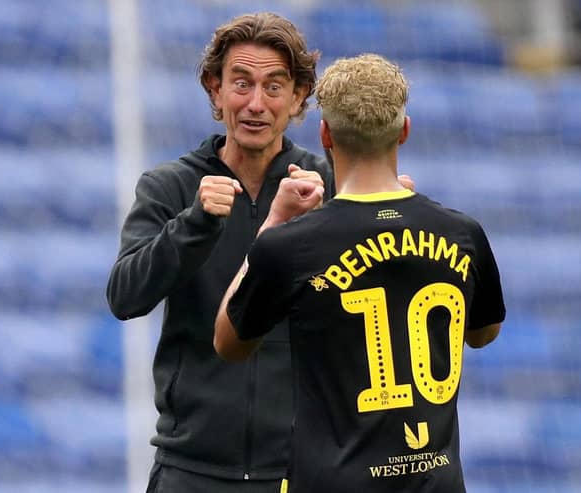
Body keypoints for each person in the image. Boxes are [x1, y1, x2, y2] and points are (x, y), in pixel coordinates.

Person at [106, 12, 413, 493]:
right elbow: (125, 297)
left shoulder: (330, 187)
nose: (255, 103)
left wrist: (379, 220)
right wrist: (196, 223)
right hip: (190, 470)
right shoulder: (171, 186)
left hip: (303, 469)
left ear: (297, 99)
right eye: (241, 83)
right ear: (214, 90)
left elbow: (382, 307)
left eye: (274, 87)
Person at [214, 53, 506, 493]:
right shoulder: (462, 233)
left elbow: (228, 343)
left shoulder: (291, 245)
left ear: (325, 133)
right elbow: (483, 333)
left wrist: (273, 221)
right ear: (405, 131)